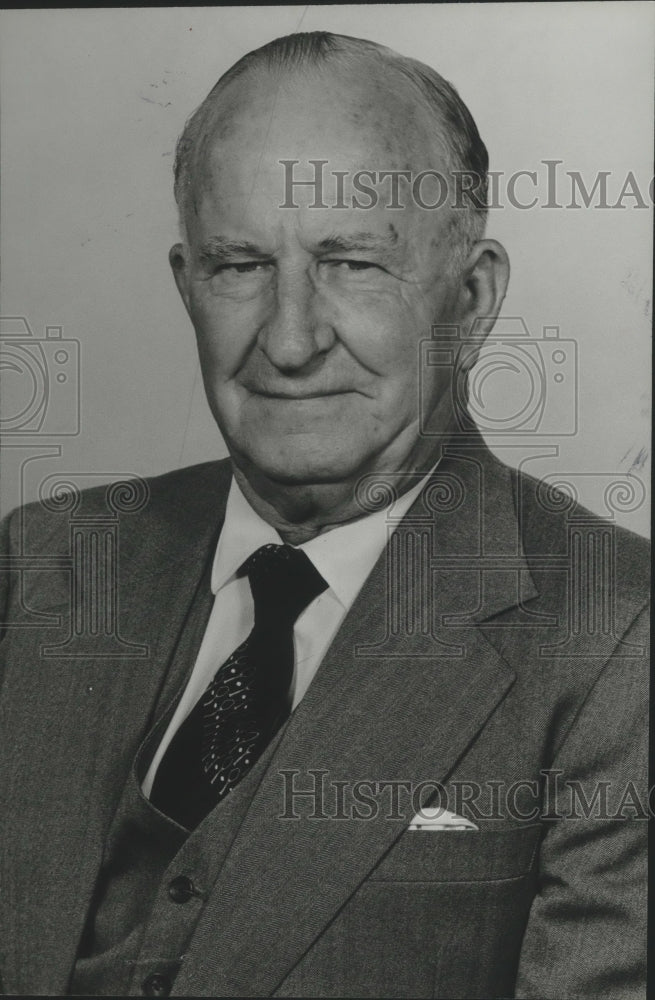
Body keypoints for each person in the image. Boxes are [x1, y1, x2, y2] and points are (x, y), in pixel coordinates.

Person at [0, 31, 648, 999]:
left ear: (469, 301)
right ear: (186, 288)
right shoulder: (40, 562)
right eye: (239, 265)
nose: (291, 338)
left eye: (350, 263)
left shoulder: (614, 637)